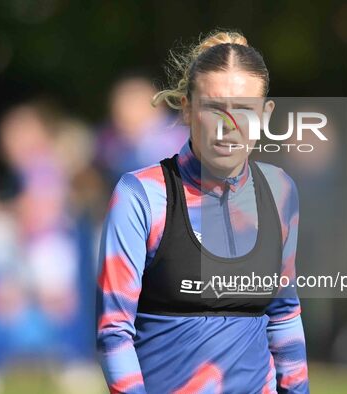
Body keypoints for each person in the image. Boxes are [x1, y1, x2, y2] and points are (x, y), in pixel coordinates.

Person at [96, 30, 309, 393]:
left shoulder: (279, 191)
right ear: (186, 107)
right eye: (214, 107)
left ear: (265, 114)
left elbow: (284, 314)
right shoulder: (143, 195)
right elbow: (114, 332)